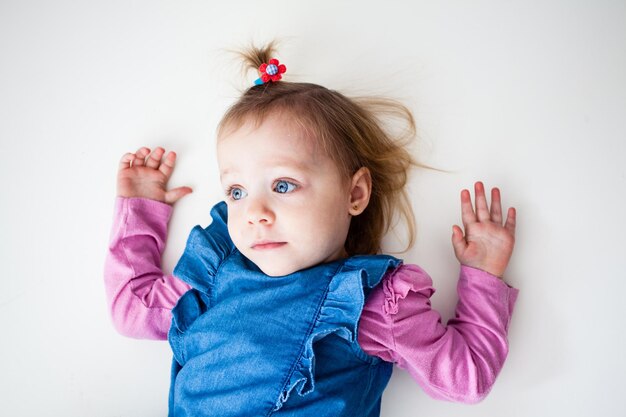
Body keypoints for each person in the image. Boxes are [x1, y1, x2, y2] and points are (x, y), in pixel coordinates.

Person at [104, 43, 519, 417]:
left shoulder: (370, 304)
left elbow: (466, 379)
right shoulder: (217, 275)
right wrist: (140, 208)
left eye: (283, 185)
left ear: (354, 193)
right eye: (236, 191)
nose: (255, 212)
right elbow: (133, 309)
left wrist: (482, 276)